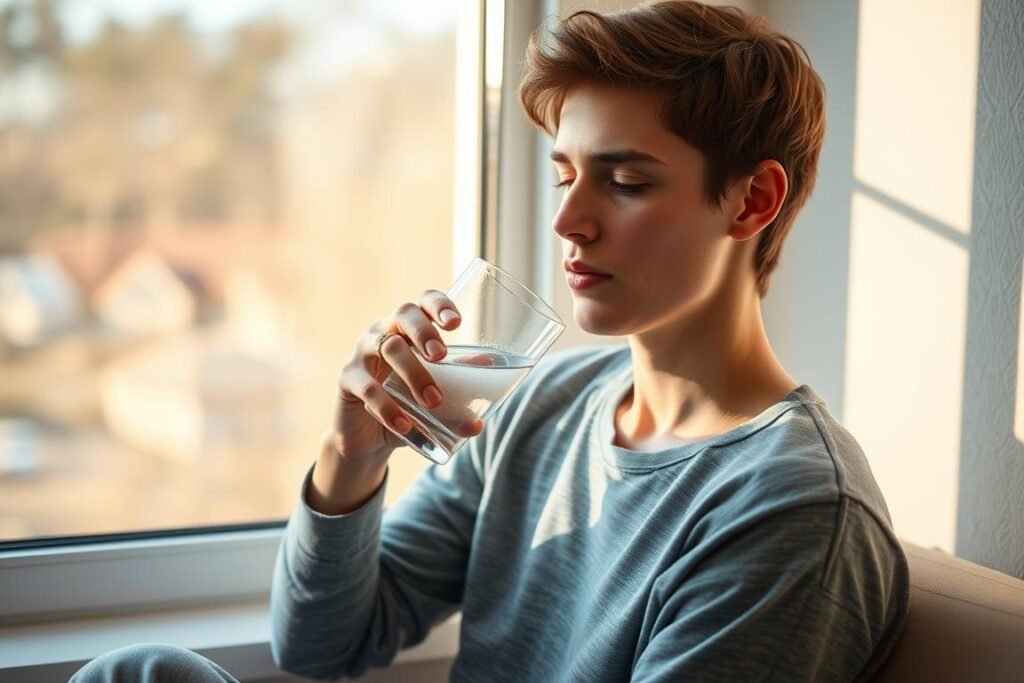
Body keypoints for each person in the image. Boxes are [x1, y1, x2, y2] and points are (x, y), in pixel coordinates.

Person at [72, 1, 909, 681]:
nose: (567, 221)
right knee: (145, 669)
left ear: (753, 201)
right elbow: (320, 642)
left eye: (625, 182)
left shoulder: (792, 511)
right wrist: (352, 455)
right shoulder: (545, 403)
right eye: (565, 175)